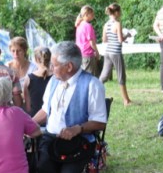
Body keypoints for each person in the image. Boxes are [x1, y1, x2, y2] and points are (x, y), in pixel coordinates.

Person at [33, 41, 108, 173]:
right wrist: (28, 125)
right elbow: (46, 110)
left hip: (78, 142)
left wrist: (78, 129)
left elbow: (100, 123)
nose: (50, 68)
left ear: (69, 66)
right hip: (50, 139)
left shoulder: (92, 84)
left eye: (54, 65)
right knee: (40, 167)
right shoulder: (53, 81)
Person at [100, 3, 133, 105]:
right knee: (121, 75)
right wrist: (127, 35)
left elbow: (104, 40)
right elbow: (120, 40)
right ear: (117, 12)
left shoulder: (106, 25)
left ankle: (92, 91)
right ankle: (126, 100)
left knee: (104, 76)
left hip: (108, 52)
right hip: (116, 52)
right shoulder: (117, 24)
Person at [22, 47, 53, 117]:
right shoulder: (56, 78)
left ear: (36, 59)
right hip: (51, 118)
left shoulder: (29, 78)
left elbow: (28, 107)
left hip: (35, 118)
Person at [74, 5, 101, 77]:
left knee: (82, 75)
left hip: (80, 53)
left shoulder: (79, 25)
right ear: (86, 14)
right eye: (92, 14)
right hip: (88, 55)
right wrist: (97, 52)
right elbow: (92, 42)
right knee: (90, 76)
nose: (93, 16)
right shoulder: (88, 26)